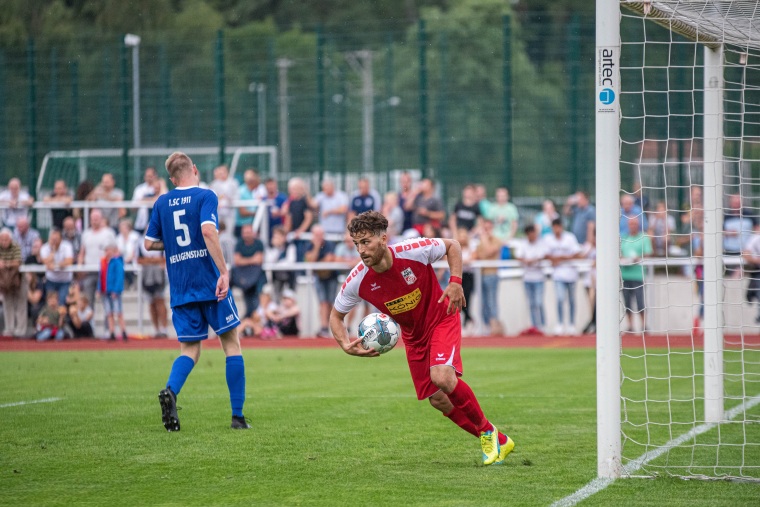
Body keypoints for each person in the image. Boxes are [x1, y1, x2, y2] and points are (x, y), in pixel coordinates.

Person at [330, 211, 515, 466]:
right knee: (438, 399)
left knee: (442, 377)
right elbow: (335, 317)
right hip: (413, 337)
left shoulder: (412, 250)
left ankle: (486, 432)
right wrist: (345, 345)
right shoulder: (358, 280)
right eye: (356, 244)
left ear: (383, 239)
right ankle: (501, 441)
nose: (361, 250)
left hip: (441, 319)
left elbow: (453, 246)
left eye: (366, 242)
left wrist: (455, 282)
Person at [144, 151, 249, 431]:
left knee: (190, 348)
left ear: (171, 178)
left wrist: (178, 246)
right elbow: (208, 231)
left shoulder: (162, 202)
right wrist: (224, 272)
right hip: (209, 282)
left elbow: (149, 244)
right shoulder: (206, 196)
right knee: (231, 344)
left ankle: (171, 391)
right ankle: (237, 417)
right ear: (194, 168)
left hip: (180, 286)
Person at [544, 218, 582, 335]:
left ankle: (571, 324)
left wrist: (560, 258)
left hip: (571, 273)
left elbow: (577, 253)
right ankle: (560, 323)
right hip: (558, 274)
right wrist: (560, 258)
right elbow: (545, 254)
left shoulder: (570, 237)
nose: (557, 229)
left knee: (571, 300)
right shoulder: (548, 239)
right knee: (560, 299)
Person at [78, 209, 117, 307]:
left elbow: (115, 251)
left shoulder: (109, 233)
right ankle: (89, 322)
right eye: (93, 218)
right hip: (89, 271)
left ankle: (108, 322)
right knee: (88, 301)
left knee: (107, 303)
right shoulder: (86, 234)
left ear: (101, 219)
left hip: (105, 271)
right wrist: (79, 267)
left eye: (97, 218)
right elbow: (82, 252)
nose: (95, 221)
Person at [304, 224, 338, 338]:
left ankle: (328, 327)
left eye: (320, 234)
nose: (318, 237)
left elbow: (329, 260)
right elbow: (310, 261)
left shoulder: (329, 244)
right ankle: (324, 327)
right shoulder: (309, 246)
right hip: (318, 277)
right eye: (316, 235)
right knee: (323, 302)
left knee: (330, 303)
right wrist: (317, 247)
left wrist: (318, 262)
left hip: (331, 277)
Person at [620, 217, 653, 333]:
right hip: (625, 274)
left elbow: (649, 253)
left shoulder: (644, 237)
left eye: (635, 224)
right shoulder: (624, 238)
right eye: (631, 224)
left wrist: (638, 258)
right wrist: (623, 259)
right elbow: (619, 253)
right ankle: (630, 326)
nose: (632, 226)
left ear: (638, 225)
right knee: (627, 303)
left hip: (638, 275)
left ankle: (644, 326)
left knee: (640, 302)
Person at [514, 224, 547, 335]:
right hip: (528, 278)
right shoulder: (524, 244)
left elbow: (543, 256)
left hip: (538, 278)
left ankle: (542, 324)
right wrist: (526, 260)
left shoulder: (541, 243)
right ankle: (535, 326)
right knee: (532, 304)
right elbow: (518, 256)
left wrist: (530, 261)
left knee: (538, 302)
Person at [474, 219, 504, 335]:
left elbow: (488, 252)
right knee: (483, 302)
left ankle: (495, 327)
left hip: (491, 274)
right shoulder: (479, 241)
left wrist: (484, 237)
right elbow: (477, 255)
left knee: (492, 302)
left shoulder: (496, 240)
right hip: (480, 275)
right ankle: (486, 326)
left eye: (488, 228)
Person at [232, 224, 265, 319]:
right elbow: (237, 261)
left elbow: (259, 259)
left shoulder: (258, 243)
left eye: (248, 232)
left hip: (255, 277)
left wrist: (244, 260)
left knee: (255, 298)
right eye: (245, 232)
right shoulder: (239, 243)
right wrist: (252, 260)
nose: (247, 235)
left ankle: (253, 317)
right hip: (243, 276)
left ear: (253, 233)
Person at [137, 241, 169, 338]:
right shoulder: (140, 242)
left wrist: (150, 261)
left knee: (160, 300)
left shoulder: (161, 240)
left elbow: (163, 259)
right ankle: (156, 329)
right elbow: (139, 260)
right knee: (151, 302)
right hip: (146, 274)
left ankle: (164, 328)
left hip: (159, 273)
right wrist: (154, 260)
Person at [0, 228, 27, 337]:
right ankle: (9, 328)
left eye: (6, 240)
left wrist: (5, 263)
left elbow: (17, 263)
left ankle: (21, 330)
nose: (3, 242)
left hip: (17, 278)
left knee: (21, 303)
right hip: (4, 279)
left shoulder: (16, 246)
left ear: (10, 239)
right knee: (7, 303)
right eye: (1, 240)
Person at [99, 242, 127, 341]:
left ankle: (123, 331)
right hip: (106, 291)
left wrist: (116, 290)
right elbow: (101, 276)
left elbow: (119, 277)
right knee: (109, 313)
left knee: (118, 312)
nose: (107, 252)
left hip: (114, 291)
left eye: (108, 250)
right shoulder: (103, 262)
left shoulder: (117, 262)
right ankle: (112, 332)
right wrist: (99, 289)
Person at [282, 177, 314, 263]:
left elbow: (308, 218)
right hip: (294, 235)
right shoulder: (291, 202)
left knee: (302, 256)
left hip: (304, 236)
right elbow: (289, 219)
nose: (292, 191)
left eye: (295, 189)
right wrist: (285, 232)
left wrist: (300, 231)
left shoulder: (305, 201)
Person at [40, 227, 74, 305]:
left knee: (62, 301)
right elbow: (46, 263)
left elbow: (69, 261)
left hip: (65, 280)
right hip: (51, 280)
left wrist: (57, 265)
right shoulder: (44, 248)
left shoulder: (67, 246)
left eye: (56, 239)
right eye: (52, 239)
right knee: (51, 303)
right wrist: (53, 251)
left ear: (61, 239)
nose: (54, 241)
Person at [263, 226, 296, 300]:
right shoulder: (270, 247)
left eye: (279, 236)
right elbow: (269, 262)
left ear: (284, 237)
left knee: (288, 298)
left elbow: (290, 262)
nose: (276, 238)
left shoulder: (290, 246)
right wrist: (276, 248)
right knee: (275, 297)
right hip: (274, 277)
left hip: (288, 277)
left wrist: (277, 264)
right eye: (275, 236)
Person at [132, 167, 167, 235]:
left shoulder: (159, 188)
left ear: (155, 176)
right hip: (140, 224)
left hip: (155, 223)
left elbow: (163, 199)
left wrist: (162, 184)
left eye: (150, 176)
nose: (148, 178)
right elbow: (134, 206)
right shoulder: (139, 189)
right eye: (147, 176)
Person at [209, 164, 240, 234]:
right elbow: (212, 196)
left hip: (229, 211)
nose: (222, 175)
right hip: (219, 211)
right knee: (217, 230)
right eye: (220, 173)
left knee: (229, 231)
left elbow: (237, 196)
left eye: (223, 172)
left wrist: (229, 199)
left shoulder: (233, 183)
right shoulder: (214, 184)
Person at [235, 169, 266, 236]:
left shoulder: (259, 190)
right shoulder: (241, 191)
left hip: (254, 224)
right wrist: (256, 213)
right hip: (242, 226)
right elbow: (242, 212)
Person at [742, 225, 760, 324]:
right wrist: (756, 260)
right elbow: (745, 253)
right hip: (757, 271)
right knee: (751, 295)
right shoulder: (755, 238)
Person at [116, 218, 141, 288]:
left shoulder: (135, 236)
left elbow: (134, 252)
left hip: (133, 260)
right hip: (121, 261)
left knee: (127, 264)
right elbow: (117, 252)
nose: (122, 229)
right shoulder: (118, 238)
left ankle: (132, 283)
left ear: (128, 228)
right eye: (121, 228)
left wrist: (126, 260)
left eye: (123, 227)